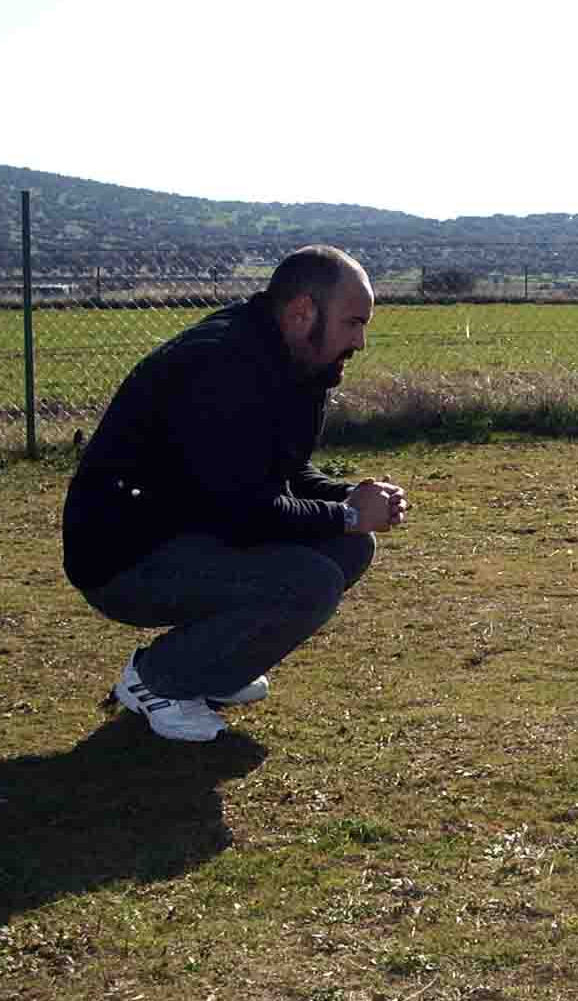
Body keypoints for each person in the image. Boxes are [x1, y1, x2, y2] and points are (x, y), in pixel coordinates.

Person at [62, 244, 407, 741]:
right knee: (309, 581)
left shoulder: (295, 358)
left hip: (191, 530)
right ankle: (158, 681)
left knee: (350, 547)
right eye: (353, 323)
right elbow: (244, 511)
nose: (361, 340)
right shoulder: (221, 366)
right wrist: (347, 514)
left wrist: (348, 496)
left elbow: (277, 471)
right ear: (302, 312)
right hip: (124, 557)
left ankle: (210, 674)